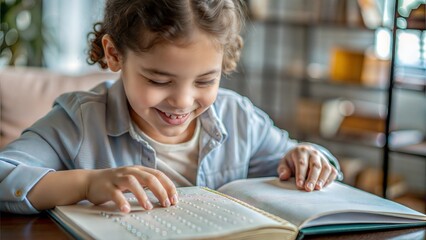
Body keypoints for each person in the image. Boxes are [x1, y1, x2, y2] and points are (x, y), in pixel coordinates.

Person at [0, 0, 342, 215]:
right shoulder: (80, 120)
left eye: (205, 81)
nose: (182, 101)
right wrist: (87, 183)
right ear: (114, 54)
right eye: (159, 81)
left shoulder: (240, 118)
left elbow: (298, 162)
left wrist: (307, 156)